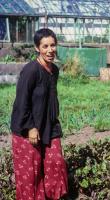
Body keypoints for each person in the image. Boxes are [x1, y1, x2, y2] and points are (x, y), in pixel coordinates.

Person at [11, 28, 68, 200]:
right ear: (37, 48)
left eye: (53, 45)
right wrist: (30, 127)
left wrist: (53, 122)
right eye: (45, 46)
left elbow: (50, 100)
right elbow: (22, 101)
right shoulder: (31, 70)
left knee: (56, 164)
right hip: (27, 129)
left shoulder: (54, 70)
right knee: (31, 175)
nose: (50, 50)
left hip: (49, 126)